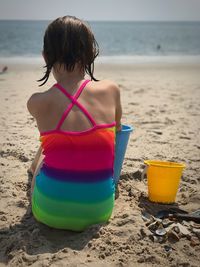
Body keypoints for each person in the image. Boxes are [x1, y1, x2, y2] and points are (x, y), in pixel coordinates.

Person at [27, 16, 122, 231]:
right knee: (60, 144)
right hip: (100, 211)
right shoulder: (111, 90)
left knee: (46, 149)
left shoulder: (37, 102)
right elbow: (117, 131)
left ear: (45, 56)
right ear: (90, 54)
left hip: (49, 212)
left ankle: (32, 171)